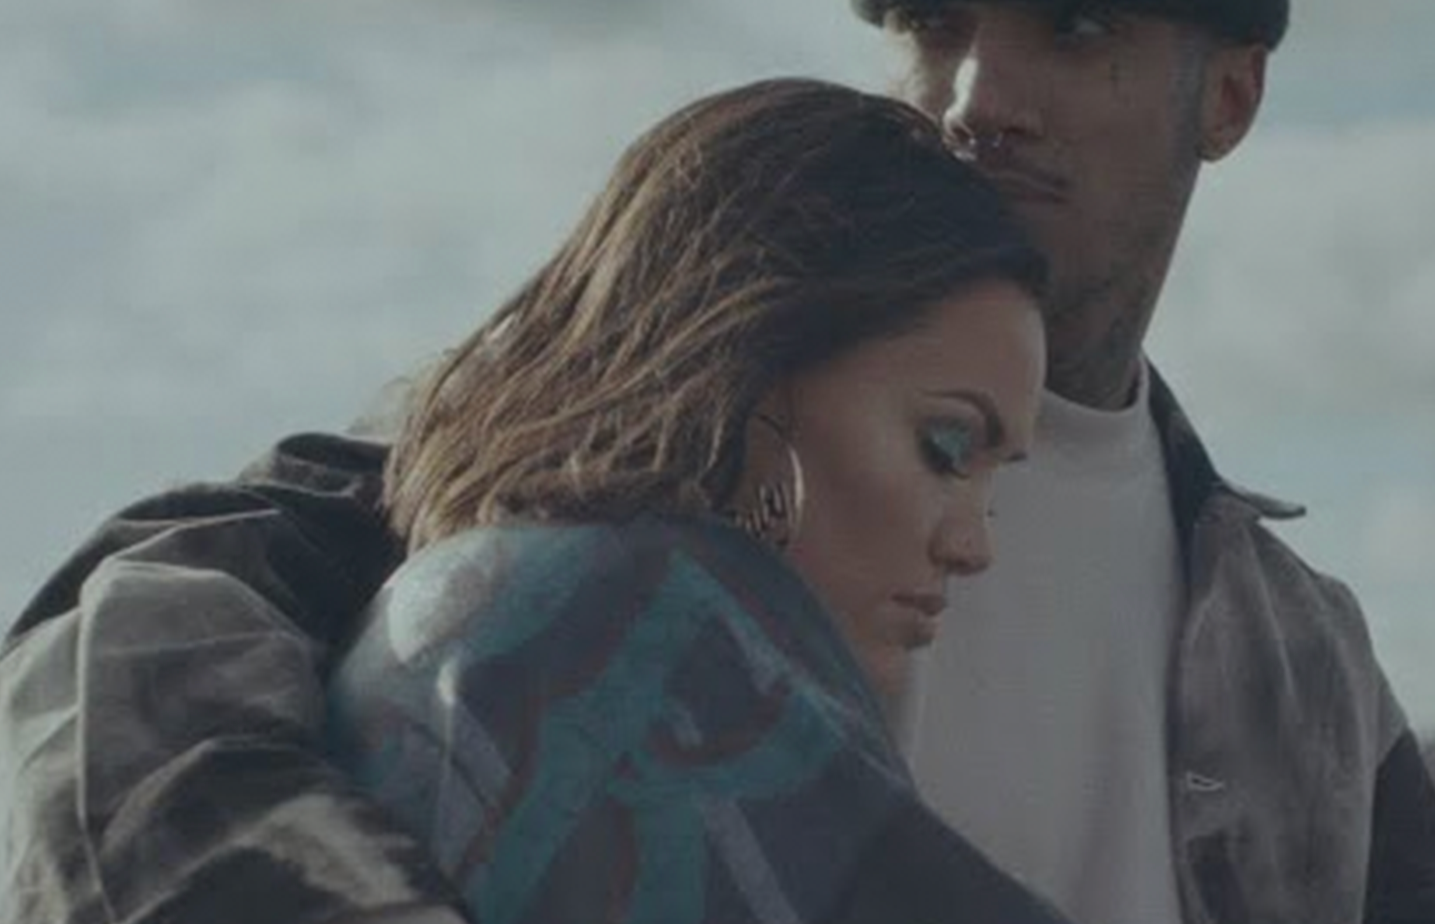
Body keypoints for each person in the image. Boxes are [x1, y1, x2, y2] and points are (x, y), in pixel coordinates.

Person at [0, 0, 1435, 922]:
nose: (978, 93)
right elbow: (110, 673)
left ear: (1226, 98)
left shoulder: (1308, 669)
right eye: (933, 19)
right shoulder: (576, 468)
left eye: (1076, 25)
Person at [328, 77, 1069, 923]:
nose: (974, 547)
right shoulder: (618, 632)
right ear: (749, 369)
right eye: (947, 448)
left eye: (993, 485)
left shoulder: (469, 600)